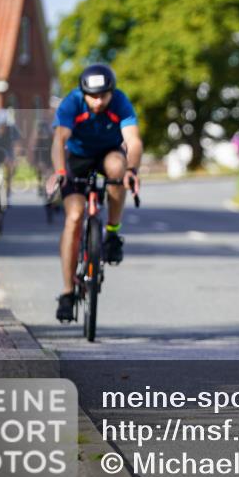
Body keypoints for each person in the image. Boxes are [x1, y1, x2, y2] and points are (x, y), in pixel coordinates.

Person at [45, 64, 143, 323]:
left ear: (112, 92)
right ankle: (67, 292)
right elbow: (59, 140)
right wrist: (59, 171)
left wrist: (132, 170)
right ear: (83, 93)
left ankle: (111, 234)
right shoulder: (72, 103)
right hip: (77, 158)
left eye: (103, 96)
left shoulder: (120, 102)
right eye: (93, 96)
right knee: (75, 217)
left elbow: (133, 140)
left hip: (108, 153)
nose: (98, 102)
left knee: (117, 169)